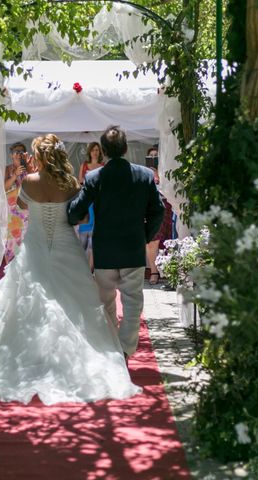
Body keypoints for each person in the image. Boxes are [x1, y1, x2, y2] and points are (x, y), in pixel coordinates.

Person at [0, 134, 140, 405]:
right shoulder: (71, 183)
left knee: (30, 306)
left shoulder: (28, 181)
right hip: (67, 247)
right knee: (73, 303)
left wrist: (31, 173)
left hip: (36, 247)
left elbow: (21, 205)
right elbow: (80, 215)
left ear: (39, 157)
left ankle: (33, 357)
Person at [68, 126, 166, 360]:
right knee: (133, 300)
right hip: (132, 246)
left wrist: (69, 209)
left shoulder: (94, 177)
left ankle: (111, 344)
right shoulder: (143, 175)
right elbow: (158, 211)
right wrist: (145, 234)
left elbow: (75, 212)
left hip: (105, 249)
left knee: (105, 300)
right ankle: (125, 348)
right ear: (125, 148)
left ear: (103, 151)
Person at [144, 146, 175, 285]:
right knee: (152, 241)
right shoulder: (145, 173)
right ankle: (154, 272)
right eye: (151, 156)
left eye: (156, 156)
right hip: (151, 208)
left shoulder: (166, 172)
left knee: (168, 239)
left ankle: (169, 271)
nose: (153, 158)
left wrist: (160, 174)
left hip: (166, 206)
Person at [3, 142, 36, 265]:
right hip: (11, 214)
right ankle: (11, 275)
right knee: (11, 245)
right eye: (16, 152)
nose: (18, 154)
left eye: (21, 151)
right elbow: (3, 188)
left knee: (26, 245)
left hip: (26, 213)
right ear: (11, 155)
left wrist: (29, 171)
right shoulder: (7, 169)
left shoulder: (30, 169)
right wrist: (14, 175)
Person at [77, 142, 105, 270]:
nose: (95, 152)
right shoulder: (84, 165)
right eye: (93, 150)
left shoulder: (102, 166)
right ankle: (82, 267)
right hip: (87, 200)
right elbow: (80, 183)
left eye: (97, 150)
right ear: (89, 151)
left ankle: (91, 268)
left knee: (95, 236)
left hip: (98, 200)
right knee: (84, 233)